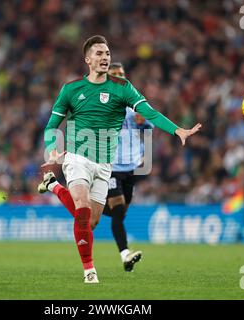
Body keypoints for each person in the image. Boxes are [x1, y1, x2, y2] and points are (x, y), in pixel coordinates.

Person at [38, 35, 201, 284]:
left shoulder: (123, 88)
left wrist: (177, 130)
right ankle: (89, 271)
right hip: (77, 158)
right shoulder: (70, 90)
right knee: (81, 207)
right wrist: (52, 149)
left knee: (90, 223)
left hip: (105, 165)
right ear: (88, 60)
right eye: (99, 54)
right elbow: (52, 125)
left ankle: (53, 186)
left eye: (107, 53)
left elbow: (149, 112)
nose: (105, 57)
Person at [101, 62, 152, 272]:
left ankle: (83, 204)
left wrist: (143, 122)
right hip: (109, 165)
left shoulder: (134, 103)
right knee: (119, 209)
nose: (118, 77)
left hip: (130, 168)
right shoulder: (100, 103)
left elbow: (149, 126)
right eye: (114, 74)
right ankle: (125, 254)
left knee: (118, 214)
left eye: (121, 74)